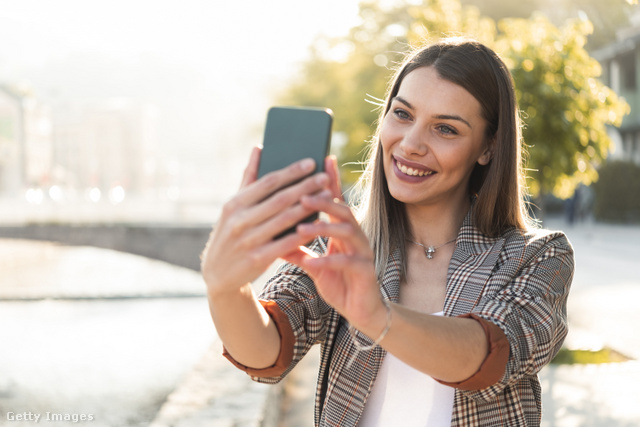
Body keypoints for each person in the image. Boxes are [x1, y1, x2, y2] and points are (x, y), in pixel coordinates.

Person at [201, 37, 574, 427]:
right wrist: (225, 289)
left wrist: (377, 317)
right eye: (402, 114)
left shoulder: (539, 257)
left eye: (445, 129)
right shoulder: (341, 244)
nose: (410, 144)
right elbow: (265, 354)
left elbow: (490, 356)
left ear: (488, 147)